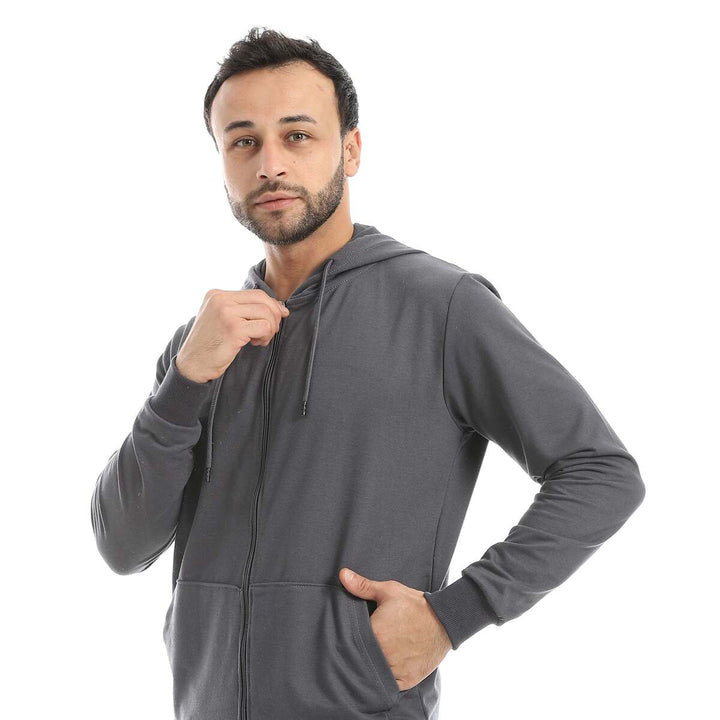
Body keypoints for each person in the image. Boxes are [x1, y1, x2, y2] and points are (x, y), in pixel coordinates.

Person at [90, 26, 646, 720]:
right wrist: (183, 382)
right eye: (243, 141)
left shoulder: (441, 306)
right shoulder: (201, 344)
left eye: (297, 135)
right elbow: (121, 545)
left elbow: (601, 472)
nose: (270, 164)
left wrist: (455, 615)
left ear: (350, 150)